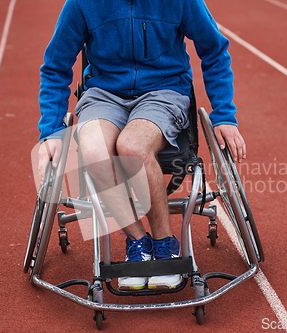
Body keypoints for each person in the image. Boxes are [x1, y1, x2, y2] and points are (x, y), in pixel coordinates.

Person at [37, 0, 246, 291]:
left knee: (132, 147)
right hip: (103, 95)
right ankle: (138, 242)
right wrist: (51, 131)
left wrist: (224, 115)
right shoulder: (82, 4)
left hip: (164, 92)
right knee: (93, 149)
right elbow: (55, 66)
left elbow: (214, 50)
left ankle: (165, 245)